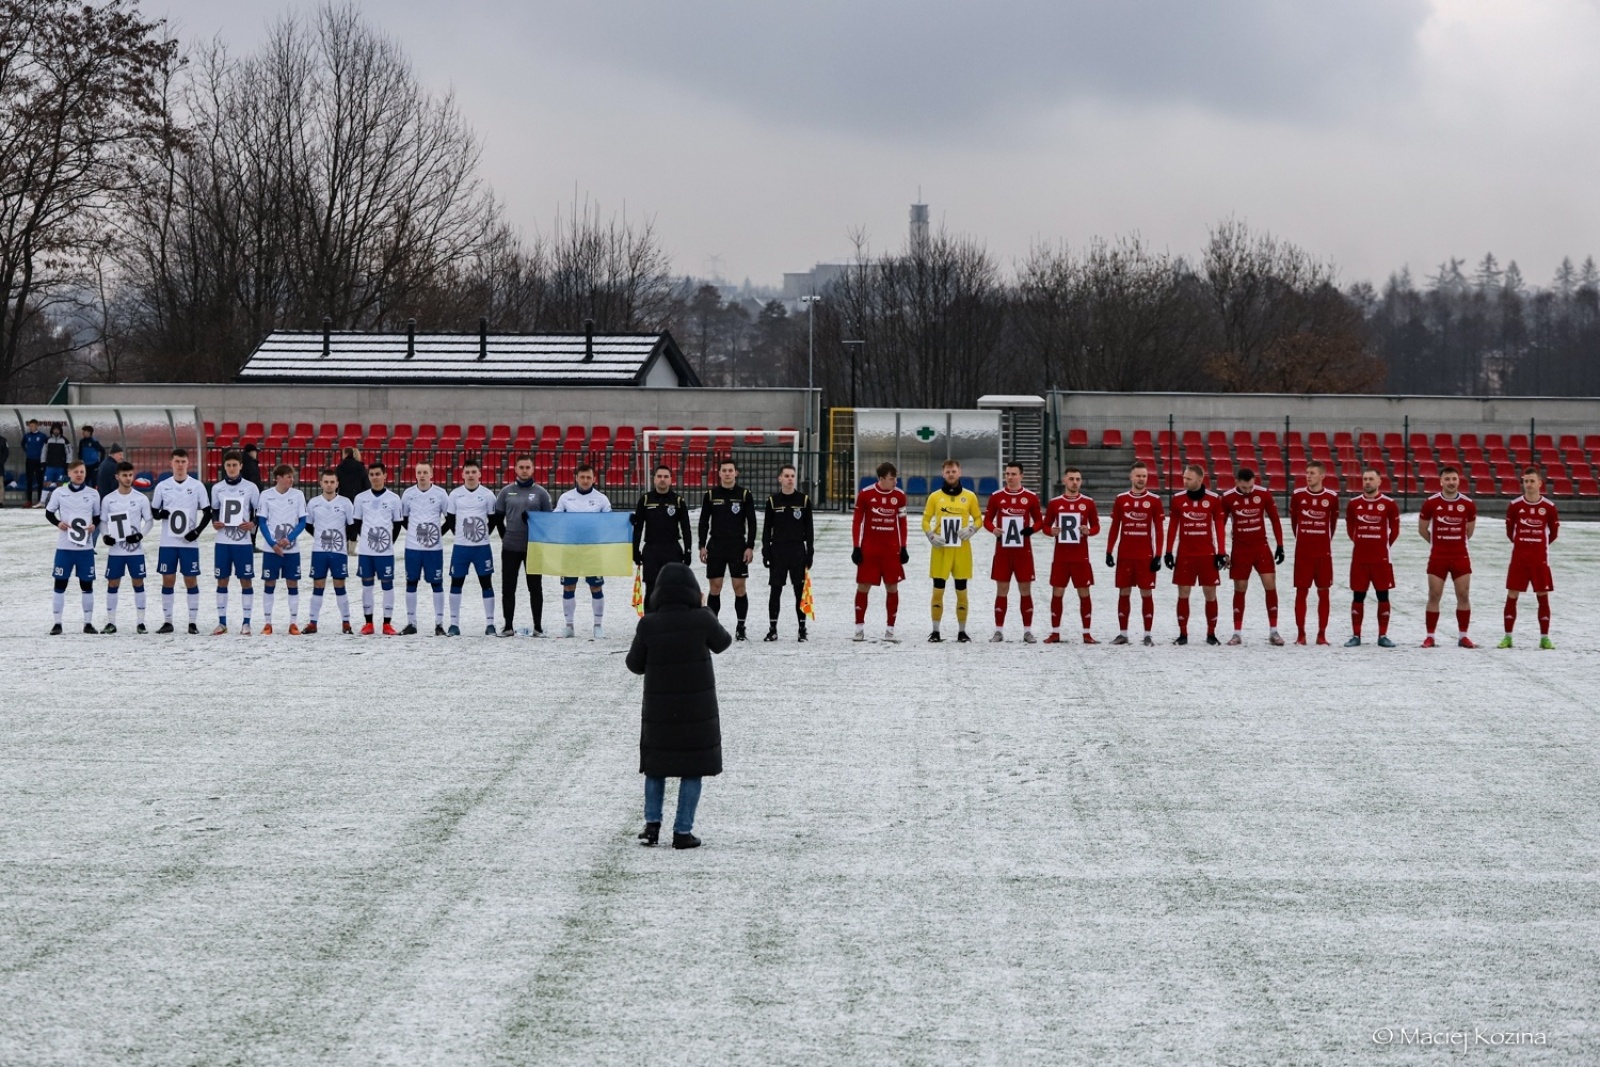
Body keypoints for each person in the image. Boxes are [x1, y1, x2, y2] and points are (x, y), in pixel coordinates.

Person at [626, 562, 730, 850]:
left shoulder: (649, 624)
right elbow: (723, 642)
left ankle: (652, 826)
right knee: (692, 768)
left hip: (659, 711)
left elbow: (634, 665)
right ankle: (682, 831)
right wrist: (706, 610)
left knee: (656, 768)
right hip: (697, 711)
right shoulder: (702, 620)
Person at [1220, 468, 1286, 645]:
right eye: (1244, 487)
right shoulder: (1227, 498)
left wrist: (1280, 545)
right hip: (1240, 549)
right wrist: (1221, 551)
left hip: (1261, 547)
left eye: (1250, 487)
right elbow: (1219, 525)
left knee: (1270, 584)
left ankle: (1274, 631)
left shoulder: (1263, 494)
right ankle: (1237, 633)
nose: (1248, 491)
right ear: (1236, 482)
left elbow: (1275, 519)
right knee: (1240, 588)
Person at [920, 459, 981, 643]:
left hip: (962, 550)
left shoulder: (970, 496)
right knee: (938, 591)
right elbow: (925, 520)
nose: (951, 474)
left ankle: (962, 632)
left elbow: (979, 519)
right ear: (943, 474)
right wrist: (931, 535)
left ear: (959, 472)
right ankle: (935, 631)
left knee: (961, 592)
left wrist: (971, 529)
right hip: (941, 549)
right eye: (948, 472)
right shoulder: (934, 497)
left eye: (954, 471)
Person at [149, 447, 210, 634]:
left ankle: (192, 622)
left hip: (188, 543)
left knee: (190, 580)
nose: (180, 465)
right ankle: (168, 621)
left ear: (188, 464)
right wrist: (161, 514)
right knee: (168, 579)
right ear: (171, 463)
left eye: (183, 462)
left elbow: (207, 513)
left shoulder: (197, 486)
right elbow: (154, 512)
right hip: (168, 542)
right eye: (177, 461)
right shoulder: (162, 486)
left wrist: (197, 532)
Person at [1165, 464, 1226, 645]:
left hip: (1207, 554)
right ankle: (1183, 634)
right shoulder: (1177, 499)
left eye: (1188, 478)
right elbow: (1173, 526)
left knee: (1210, 593)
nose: (1184, 481)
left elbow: (1219, 526)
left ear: (1200, 479)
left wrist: (1221, 552)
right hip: (1185, 554)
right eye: (1184, 477)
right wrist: (1168, 551)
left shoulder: (1213, 499)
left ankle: (1211, 634)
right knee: (1183, 592)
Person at [492, 455, 554, 635]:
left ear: (533, 469)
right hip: (510, 548)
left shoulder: (541, 493)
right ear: (516, 469)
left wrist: (535, 522)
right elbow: (498, 519)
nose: (525, 470)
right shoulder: (506, 492)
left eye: (528, 467)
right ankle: (508, 626)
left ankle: (538, 627)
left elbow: (548, 521)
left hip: (533, 548)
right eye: (522, 467)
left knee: (535, 587)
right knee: (508, 587)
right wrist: (505, 537)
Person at [984, 462, 1044, 643]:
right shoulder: (996, 497)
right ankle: (998, 631)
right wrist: (994, 529)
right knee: (1002, 590)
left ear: (1021, 476)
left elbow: (1039, 521)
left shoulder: (1030, 497)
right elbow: (987, 520)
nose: (1009, 477)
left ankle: (1027, 631)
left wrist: (1031, 529)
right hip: (1003, 552)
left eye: (1013, 474)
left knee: (1025, 590)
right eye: (1007, 474)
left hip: (1023, 552)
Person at [698, 460, 759, 639]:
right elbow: (703, 522)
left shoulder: (744, 495)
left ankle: (741, 627)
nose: (727, 473)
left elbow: (752, 522)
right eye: (724, 470)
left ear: (736, 473)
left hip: (737, 546)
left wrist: (750, 546)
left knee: (739, 587)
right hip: (716, 545)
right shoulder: (711, 495)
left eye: (730, 470)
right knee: (715, 587)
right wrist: (702, 545)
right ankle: (713, 627)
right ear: (719, 473)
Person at [1418, 465, 1477, 648]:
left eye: (1454, 479)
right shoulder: (1431, 503)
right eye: (1447, 479)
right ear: (1441, 481)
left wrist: (1456, 542)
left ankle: (1463, 636)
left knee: (1463, 594)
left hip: (1460, 556)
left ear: (1459, 481)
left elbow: (1469, 532)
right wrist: (1437, 543)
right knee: (1434, 594)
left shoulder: (1468, 504)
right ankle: (1430, 636)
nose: (1451, 482)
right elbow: (1422, 529)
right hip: (1438, 556)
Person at [1501, 467, 1559, 649]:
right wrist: (1523, 544)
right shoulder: (1515, 506)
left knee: (1542, 596)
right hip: (1519, 559)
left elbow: (1553, 533)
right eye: (1526, 481)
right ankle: (1508, 637)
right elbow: (1510, 532)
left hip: (1539, 560)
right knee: (1512, 595)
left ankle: (1544, 638)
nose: (1529, 484)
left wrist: (1537, 546)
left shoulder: (1549, 507)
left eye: (1532, 481)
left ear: (1540, 483)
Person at [1107, 461, 1164, 646]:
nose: (1141, 479)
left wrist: (1158, 555)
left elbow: (1159, 530)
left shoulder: (1154, 500)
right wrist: (1109, 551)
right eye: (1138, 476)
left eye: (1144, 476)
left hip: (1145, 556)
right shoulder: (1121, 499)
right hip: (1125, 555)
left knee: (1146, 592)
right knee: (1124, 591)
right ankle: (1123, 634)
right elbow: (1115, 527)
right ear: (1131, 477)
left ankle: (1147, 635)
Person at [851, 461, 908, 642]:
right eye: (892, 479)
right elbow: (857, 522)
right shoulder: (865, 494)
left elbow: (903, 523)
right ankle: (859, 629)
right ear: (882, 479)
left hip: (891, 551)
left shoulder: (899, 496)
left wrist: (904, 547)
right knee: (863, 586)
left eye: (896, 478)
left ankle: (890, 629)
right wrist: (856, 547)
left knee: (892, 587)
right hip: (870, 550)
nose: (895, 482)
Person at [1344, 466, 1401, 647]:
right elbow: (1350, 528)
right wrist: (1362, 542)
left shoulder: (1389, 504)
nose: (1367, 482)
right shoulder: (1354, 504)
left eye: (1371, 479)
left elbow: (1395, 530)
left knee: (1383, 596)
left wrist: (1382, 545)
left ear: (1379, 481)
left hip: (1381, 559)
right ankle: (1356, 635)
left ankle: (1382, 635)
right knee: (1358, 596)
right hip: (1360, 559)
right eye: (1365, 479)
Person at [554, 464, 612, 639]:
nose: (585, 480)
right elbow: (554, 518)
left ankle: (598, 625)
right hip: (570, 549)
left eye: (588, 477)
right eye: (582, 477)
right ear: (576, 478)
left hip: (592, 550)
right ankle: (569, 626)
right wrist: (536, 519)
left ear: (594, 479)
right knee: (568, 586)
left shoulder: (602, 499)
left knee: (596, 586)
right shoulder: (566, 498)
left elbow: (610, 522)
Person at [1044, 467, 1099, 644]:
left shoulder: (1088, 503)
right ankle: (1055, 632)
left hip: (1080, 557)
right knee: (1057, 592)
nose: (1075, 482)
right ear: (1064, 480)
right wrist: (1051, 531)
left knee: (1084, 592)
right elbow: (1045, 526)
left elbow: (1096, 526)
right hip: (1061, 557)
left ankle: (1086, 633)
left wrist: (1088, 531)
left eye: (1078, 479)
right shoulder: (1055, 503)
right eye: (1071, 479)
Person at [44, 459, 100, 634]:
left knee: (87, 585)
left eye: (82, 471)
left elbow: (97, 516)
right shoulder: (59, 492)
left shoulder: (93, 494)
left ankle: (88, 623)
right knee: (60, 584)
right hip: (65, 548)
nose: (79, 475)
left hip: (85, 549)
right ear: (69, 473)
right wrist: (58, 523)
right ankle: (57, 623)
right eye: (76, 472)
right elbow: (49, 513)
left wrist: (94, 525)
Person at [209, 449, 261, 635]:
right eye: (228, 465)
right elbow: (215, 510)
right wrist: (215, 522)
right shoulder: (217, 488)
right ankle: (222, 622)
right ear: (224, 467)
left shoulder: (251, 488)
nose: (231, 468)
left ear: (241, 466)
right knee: (222, 580)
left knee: (245, 580)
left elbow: (260, 512)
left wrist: (252, 523)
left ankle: (246, 622)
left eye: (235, 465)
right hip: (223, 542)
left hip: (243, 543)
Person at [445, 458, 499, 636]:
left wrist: (481, 535)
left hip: (481, 547)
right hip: (461, 547)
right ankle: (454, 624)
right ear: (462, 474)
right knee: (456, 582)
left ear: (479, 474)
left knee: (486, 583)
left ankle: (490, 624)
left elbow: (493, 520)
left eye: (473, 472)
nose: (470, 475)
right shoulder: (455, 495)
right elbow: (450, 519)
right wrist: (460, 535)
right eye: (467, 472)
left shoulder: (488, 495)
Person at [761, 464, 814, 642]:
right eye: (786, 476)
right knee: (775, 590)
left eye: (792, 476)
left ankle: (802, 629)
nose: (790, 479)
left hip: (797, 550)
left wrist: (810, 552)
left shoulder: (804, 500)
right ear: (780, 479)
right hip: (778, 550)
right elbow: (767, 528)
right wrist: (766, 550)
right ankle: (772, 629)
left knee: (800, 592)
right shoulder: (773, 501)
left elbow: (809, 528)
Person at [1290, 460, 1339, 645]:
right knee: (1301, 592)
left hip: (1323, 554)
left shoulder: (1332, 497)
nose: (1308, 476)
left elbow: (1332, 524)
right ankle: (1301, 634)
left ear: (1322, 476)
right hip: (1303, 554)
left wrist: (1322, 542)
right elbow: (1294, 522)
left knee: (1323, 593)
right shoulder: (1298, 496)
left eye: (1312, 473)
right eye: (1307, 472)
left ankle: (1321, 634)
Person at [100, 460, 152, 634]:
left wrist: (140, 535)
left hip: (135, 551)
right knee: (113, 583)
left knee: (138, 582)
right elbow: (103, 521)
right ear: (117, 477)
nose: (128, 478)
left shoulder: (141, 498)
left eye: (130, 475)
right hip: (116, 551)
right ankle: (111, 622)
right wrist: (105, 536)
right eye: (124, 475)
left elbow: (149, 521)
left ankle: (141, 622)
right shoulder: (109, 499)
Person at [352, 461, 404, 635]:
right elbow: (357, 523)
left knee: (387, 585)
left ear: (385, 476)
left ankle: (387, 623)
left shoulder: (393, 498)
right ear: (369, 477)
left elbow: (397, 524)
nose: (375, 477)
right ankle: (368, 623)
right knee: (367, 585)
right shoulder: (361, 498)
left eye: (378, 474)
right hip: (366, 551)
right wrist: (368, 539)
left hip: (385, 552)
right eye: (372, 475)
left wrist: (388, 542)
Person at [632, 464, 693, 611]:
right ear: (654, 479)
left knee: (673, 589)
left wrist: (688, 551)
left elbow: (686, 528)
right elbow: (638, 527)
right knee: (651, 589)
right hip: (651, 550)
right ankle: (649, 621)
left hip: (672, 550)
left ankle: (671, 620)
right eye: (659, 476)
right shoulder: (645, 500)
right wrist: (635, 550)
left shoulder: (678, 501)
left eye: (666, 476)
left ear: (671, 480)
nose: (662, 479)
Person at [257, 464, 308, 635]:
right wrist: (272, 543)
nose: (291, 480)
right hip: (271, 549)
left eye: (292, 477)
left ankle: (293, 622)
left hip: (292, 549)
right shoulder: (266, 495)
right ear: (278, 478)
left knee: (292, 583)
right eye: (288, 477)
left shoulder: (298, 495)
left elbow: (302, 522)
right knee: (269, 583)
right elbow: (262, 522)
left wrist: (289, 539)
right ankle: (268, 623)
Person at [400, 461, 450, 635]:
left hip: (433, 549)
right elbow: (404, 519)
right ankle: (411, 623)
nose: (422, 475)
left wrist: (436, 534)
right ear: (415, 474)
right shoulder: (408, 494)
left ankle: (439, 624)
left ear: (431, 474)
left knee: (436, 583)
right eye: (419, 472)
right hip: (412, 547)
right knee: (411, 582)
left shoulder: (440, 494)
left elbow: (449, 519)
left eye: (425, 472)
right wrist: (415, 533)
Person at [303, 469, 355, 634]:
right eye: (326, 482)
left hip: (339, 552)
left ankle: (346, 622)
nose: (329, 485)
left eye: (332, 482)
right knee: (318, 585)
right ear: (321, 483)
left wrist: (342, 540)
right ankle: (313, 623)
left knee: (340, 585)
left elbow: (351, 525)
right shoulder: (313, 503)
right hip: (319, 551)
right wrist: (320, 537)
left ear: (337, 484)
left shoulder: (345, 503)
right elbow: (308, 525)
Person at [22, 418, 45, 506]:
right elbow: (22, 444)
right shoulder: (27, 436)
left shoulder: (42, 436)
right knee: (29, 480)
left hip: (39, 461)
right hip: (29, 460)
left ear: (36, 426)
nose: (31, 428)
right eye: (30, 426)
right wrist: (27, 451)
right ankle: (29, 500)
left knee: (39, 480)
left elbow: (46, 446)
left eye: (32, 426)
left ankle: (40, 500)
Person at [43, 422, 70, 489]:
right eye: (54, 429)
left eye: (57, 429)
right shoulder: (48, 440)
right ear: (52, 430)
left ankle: (59, 496)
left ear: (60, 430)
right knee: (46, 483)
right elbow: (44, 452)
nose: (56, 431)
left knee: (60, 484)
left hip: (60, 466)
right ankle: (45, 496)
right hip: (49, 466)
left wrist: (68, 463)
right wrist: (43, 462)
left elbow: (69, 453)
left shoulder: (65, 440)